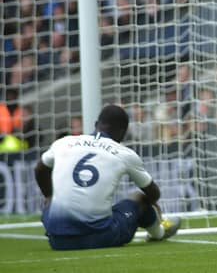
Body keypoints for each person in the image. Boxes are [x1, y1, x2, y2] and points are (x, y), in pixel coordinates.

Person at [34, 104, 181, 250]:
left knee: (53, 202)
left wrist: (48, 195)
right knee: (139, 198)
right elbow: (153, 193)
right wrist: (151, 205)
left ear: (96, 124)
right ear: (123, 132)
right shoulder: (124, 153)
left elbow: (40, 169)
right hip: (100, 237)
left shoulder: (63, 143)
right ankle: (158, 232)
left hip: (57, 241)